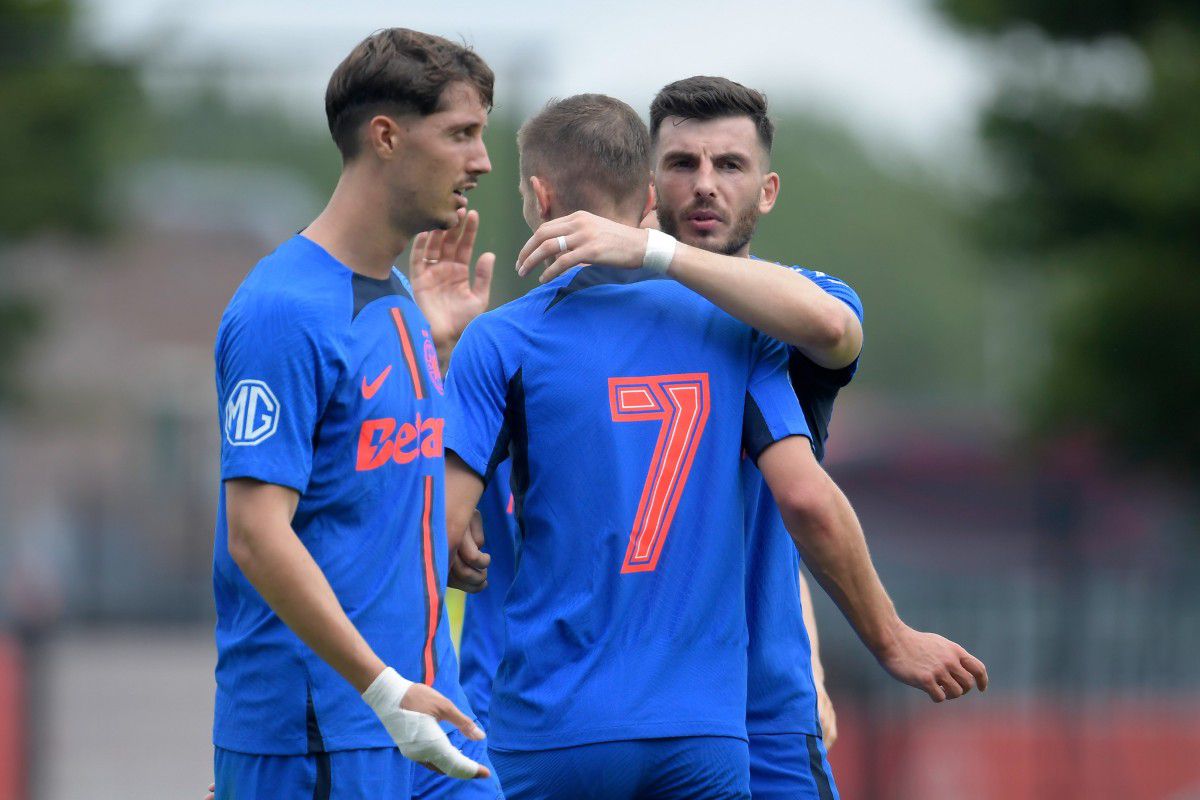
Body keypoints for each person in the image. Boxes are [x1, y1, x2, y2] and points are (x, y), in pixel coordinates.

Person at [445, 93, 986, 800]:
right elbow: (799, 499)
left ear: (767, 191)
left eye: (729, 164)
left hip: (730, 709)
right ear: (650, 189)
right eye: (682, 163)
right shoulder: (719, 339)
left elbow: (829, 336)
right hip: (695, 722)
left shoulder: (765, 320)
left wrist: (653, 252)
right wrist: (438, 345)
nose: (704, 183)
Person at [209, 28, 502, 800]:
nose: (483, 161)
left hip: (426, 711)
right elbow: (255, 532)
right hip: (323, 732)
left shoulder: (404, 301)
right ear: (386, 136)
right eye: (462, 134)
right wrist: (381, 690)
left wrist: (444, 528)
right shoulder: (282, 309)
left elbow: (367, 462)